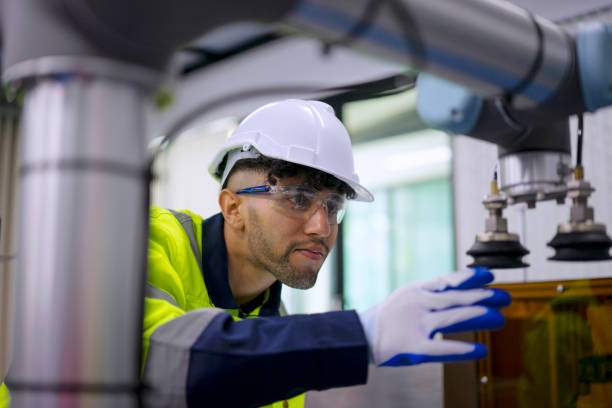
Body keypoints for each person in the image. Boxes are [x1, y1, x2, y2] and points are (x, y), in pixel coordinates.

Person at [142, 99, 510, 407]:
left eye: (332, 206)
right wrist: (360, 336)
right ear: (232, 207)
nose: (322, 227)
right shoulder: (146, 245)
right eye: (297, 199)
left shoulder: (273, 326)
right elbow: (170, 364)